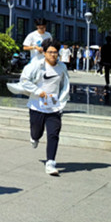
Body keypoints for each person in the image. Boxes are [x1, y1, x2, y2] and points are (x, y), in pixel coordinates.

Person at [16, 38, 70, 176]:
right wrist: (38, 91)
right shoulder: (36, 66)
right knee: (36, 132)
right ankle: (34, 137)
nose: (53, 55)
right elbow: (24, 80)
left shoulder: (62, 67)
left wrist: (61, 101)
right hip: (37, 106)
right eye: (50, 52)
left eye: (55, 52)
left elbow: (65, 85)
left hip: (54, 107)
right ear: (44, 53)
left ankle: (50, 162)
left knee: (53, 134)